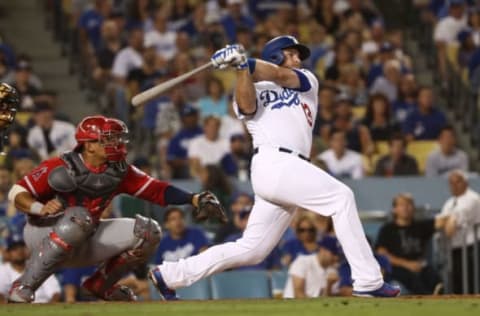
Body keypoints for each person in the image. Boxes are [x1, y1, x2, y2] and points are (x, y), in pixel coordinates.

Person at [149, 36, 400, 299]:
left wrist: (246, 61)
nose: (298, 59)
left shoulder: (306, 82)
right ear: (276, 55)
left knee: (251, 250)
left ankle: (169, 274)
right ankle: (368, 280)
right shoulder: (247, 88)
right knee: (341, 197)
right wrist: (242, 69)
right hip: (273, 162)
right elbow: (246, 106)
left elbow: (280, 75)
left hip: (291, 168)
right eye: (291, 54)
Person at [7, 115, 226, 303]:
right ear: (89, 144)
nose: (117, 143)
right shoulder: (59, 166)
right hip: (43, 233)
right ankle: (23, 287)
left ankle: (101, 285)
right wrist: (39, 207)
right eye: (109, 139)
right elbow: (16, 193)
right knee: (78, 218)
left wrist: (193, 198)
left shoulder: (119, 171)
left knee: (148, 231)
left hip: (85, 235)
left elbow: (156, 189)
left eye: (117, 138)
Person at [375, 193, 446, 294]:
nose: (406, 208)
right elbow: (382, 254)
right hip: (397, 267)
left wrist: (452, 220)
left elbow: (441, 221)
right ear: (395, 209)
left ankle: (437, 295)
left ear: (413, 208)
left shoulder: (420, 226)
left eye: (409, 204)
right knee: (412, 279)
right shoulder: (387, 229)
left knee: (433, 276)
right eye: (402, 205)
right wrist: (407, 264)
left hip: (419, 265)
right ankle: (426, 299)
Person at [439, 170, 480, 294]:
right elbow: (440, 222)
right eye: (451, 183)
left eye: (458, 182)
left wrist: (447, 221)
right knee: (457, 284)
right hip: (454, 249)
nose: (455, 185)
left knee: (472, 282)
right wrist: (447, 221)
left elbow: (451, 225)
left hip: (472, 248)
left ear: (466, 183)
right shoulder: (449, 202)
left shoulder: (472, 198)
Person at [0, 234, 61, 303]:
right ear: (7, 253)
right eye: (14, 249)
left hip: (42, 307)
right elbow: (0, 294)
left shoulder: (39, 265)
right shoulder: (3, 270)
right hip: (15, 309)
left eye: (21, 247)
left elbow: (55, 293)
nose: (19, 251)